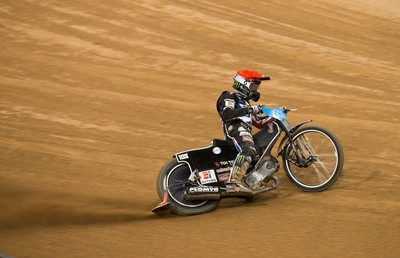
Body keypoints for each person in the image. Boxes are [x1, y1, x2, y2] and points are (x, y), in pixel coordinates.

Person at [216, 70, 271, 194]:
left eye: (257, 87)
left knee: (259, 154)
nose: (256, 90)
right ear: (242, 84)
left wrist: (275, 115)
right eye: (253, 86)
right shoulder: (229, 97)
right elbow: (227, 114)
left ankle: (251, 181)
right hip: (235, 129)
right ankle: (233, 183)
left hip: (245, 131)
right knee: (248, 150)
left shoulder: (245, 104)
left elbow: (259, 123)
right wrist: (250, 109)